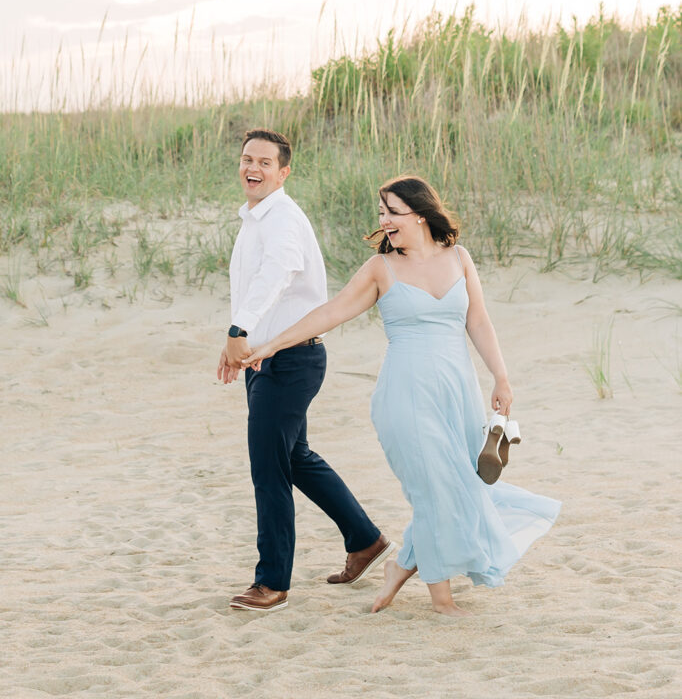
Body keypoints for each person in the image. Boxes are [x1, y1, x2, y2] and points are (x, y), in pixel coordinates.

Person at [243, 175, 561, 617]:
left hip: (458, 392)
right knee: (432, 488)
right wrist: (273, 342)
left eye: (393, 212)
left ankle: (400, 566)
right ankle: (441, 597)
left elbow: (480, 322)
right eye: (381, 214)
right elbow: (332, 312)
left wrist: (501, 378)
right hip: (405, 394)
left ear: (421, 213)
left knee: (458, 484)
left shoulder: (459, 258)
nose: (384, 222)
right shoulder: (381, 269)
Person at [217, 129, 394, 612]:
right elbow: (254, 288)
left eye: (265, 162)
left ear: (283, 171)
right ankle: (365, 540)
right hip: (267, 357)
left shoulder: (284, 221)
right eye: (246, 159)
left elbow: (276, 277)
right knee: (295, 459)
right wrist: (238, 342)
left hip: (291, 360)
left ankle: (272, 583)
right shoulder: (254, 220)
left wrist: (239, 328)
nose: (252, 168)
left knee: (268, 469)